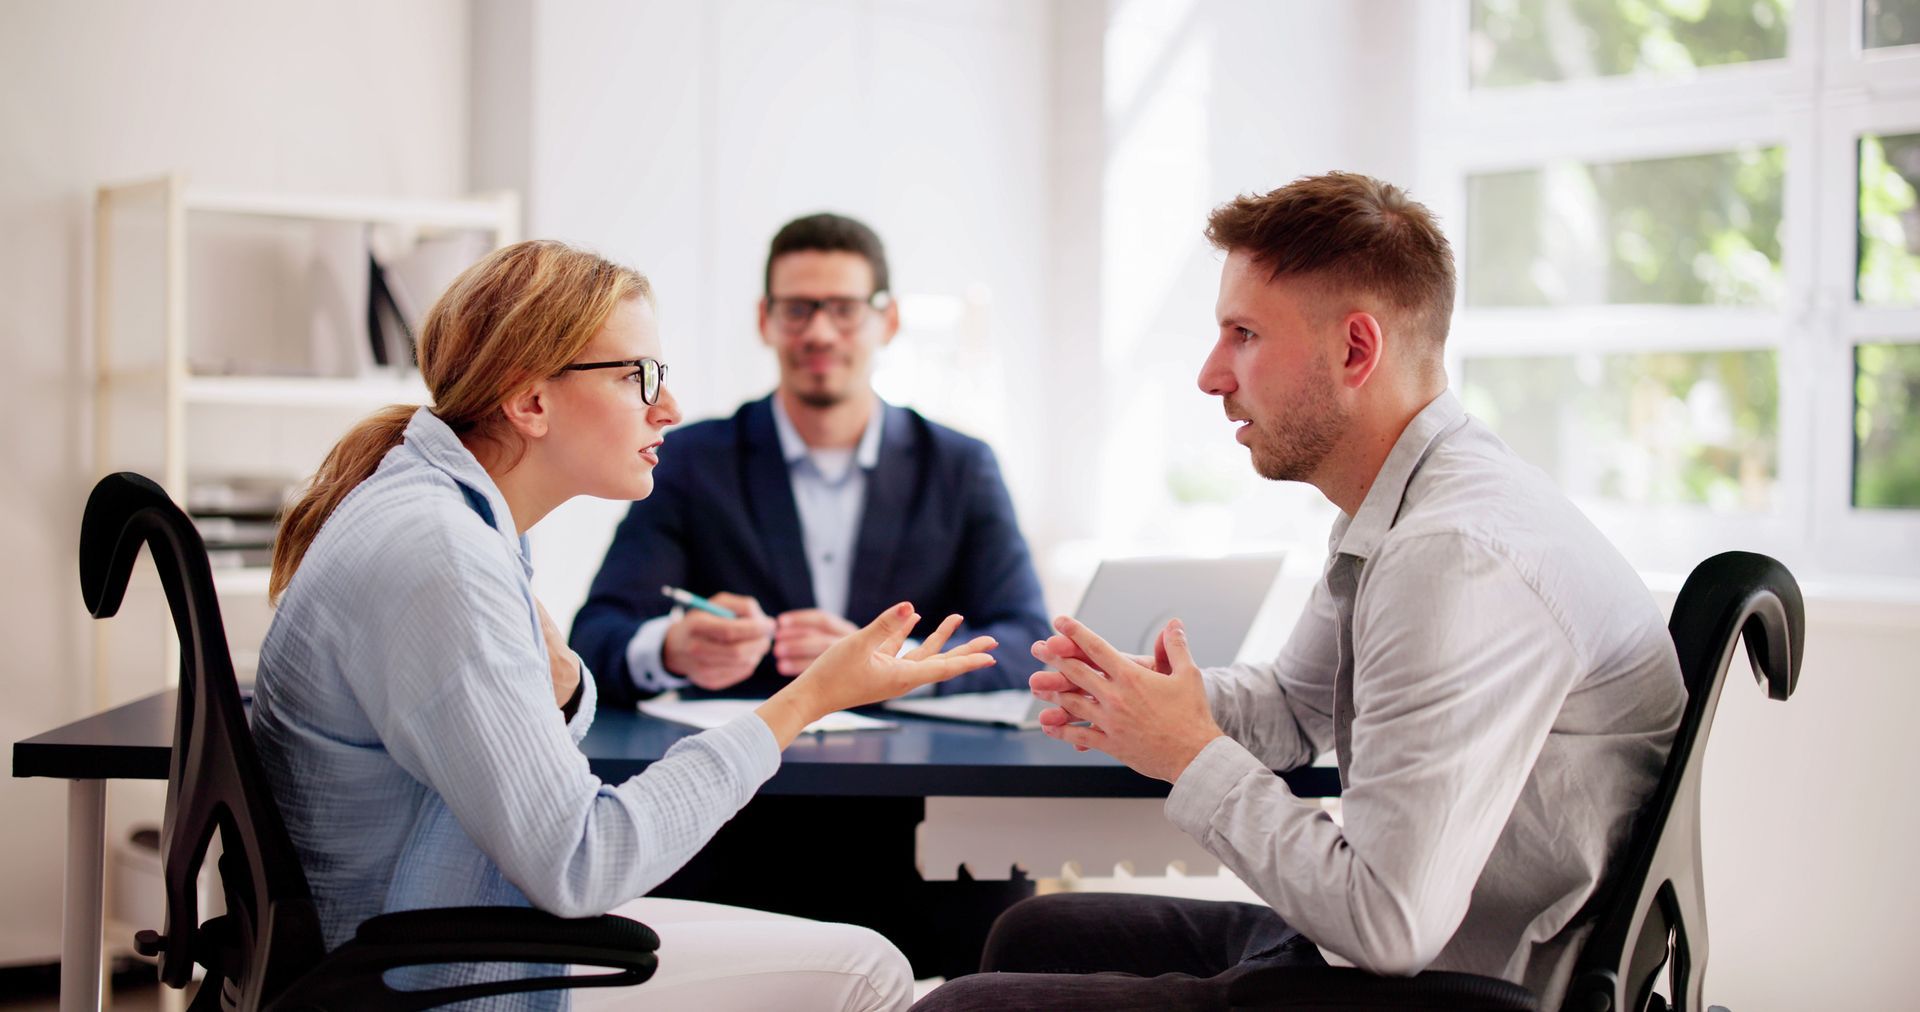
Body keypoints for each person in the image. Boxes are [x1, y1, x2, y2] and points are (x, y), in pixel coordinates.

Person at [915, 172, 1687, 1011]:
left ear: (1357, 349)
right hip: (1410, 949)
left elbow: (1388, 924)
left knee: (961, 1007)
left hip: (1453, 988)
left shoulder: (1454, 557)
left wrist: (1186, 752)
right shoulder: (1404, 501)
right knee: (1030, 935)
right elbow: (1289, 709)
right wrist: (1158, 701)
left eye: (1243, 334)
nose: (1212, 376)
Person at [249, 239, 998, 1012]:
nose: (666, 408)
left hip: (455, 927)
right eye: (635, 376)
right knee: (870, 970)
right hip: (450, 973)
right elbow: (581, 863)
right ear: (530, 401)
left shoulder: (442, 514)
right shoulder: (444, 550)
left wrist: (563, 682)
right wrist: (803, 703)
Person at [570, 212, 1049, 706]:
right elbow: (593, 639)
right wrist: (669, 650)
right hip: (738, 771)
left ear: (889, 322)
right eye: (798, 309)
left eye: (845, 309)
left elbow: (1026, 641)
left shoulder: (961, 466)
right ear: (765, 321)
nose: (820, 333)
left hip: (904, 773)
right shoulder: (692, 460)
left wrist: (893, 666)